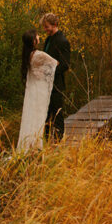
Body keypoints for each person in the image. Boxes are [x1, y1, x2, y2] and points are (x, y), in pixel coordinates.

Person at [17, 28, 58, 151]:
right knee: (39, 117)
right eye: (37, 36)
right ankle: (35, 146)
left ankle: (29, 144)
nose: (39, 37)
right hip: (40, 92)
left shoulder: (27, 55)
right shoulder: (39, 54)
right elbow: (55, 63)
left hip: (33, 92)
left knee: (31, 117)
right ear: (34, 41)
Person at [39, 12, 71, 140]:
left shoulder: (62, 41)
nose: (45, 29)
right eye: (44, 27)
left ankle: (58, 141)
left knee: (57, 113)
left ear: (55, 25)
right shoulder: (49, 39)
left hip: (56, 84)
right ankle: (46, 140)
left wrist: (50, 69)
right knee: (46, 114)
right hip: (46, 83)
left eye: (47, 27)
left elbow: (65, 65)